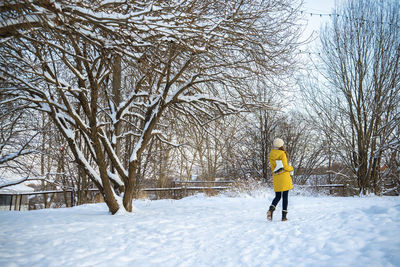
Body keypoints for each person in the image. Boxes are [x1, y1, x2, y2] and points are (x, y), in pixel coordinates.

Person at [267, 138, 293, 221]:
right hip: (284, 177)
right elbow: (285, 167)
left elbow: (272, 168)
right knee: (285, 197)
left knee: (277, 196)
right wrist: (291, 168)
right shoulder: (282, 153)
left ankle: (271, 209)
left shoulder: (271, 154)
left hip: (276, 177)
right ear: (281, 145)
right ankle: (284, 217)